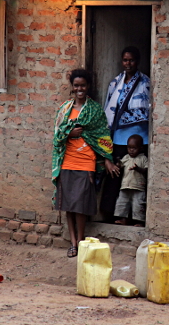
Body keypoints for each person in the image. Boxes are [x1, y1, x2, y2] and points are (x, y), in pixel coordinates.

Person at [52, 68, 120, 258]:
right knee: (68, 206)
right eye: (76, 86)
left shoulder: (95, 110)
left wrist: (107, 159)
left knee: (81, 205)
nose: (79, 89)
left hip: (86, 162)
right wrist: (69, 134)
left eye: (82, 85)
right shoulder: (65, 109)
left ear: (87, 86)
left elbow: (102, 136)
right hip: (67, 162)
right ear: (72, 88)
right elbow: (57, 135)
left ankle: (81, 241)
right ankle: (73, 243)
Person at [101, 46, 150, 222]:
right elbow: (109, 109)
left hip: (140, 138)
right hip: (120, 138)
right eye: (125, 60)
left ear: (138, 61)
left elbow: (149, 110)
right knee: (115, 175)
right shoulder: (115, 83)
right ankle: (110, 214)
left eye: (131, 60)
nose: (128, 63)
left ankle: (135, 217)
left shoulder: (145, 82)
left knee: (136, 176)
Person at [114, 134, 148, 227]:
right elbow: (120, 165)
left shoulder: (143, 158)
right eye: (129, 148)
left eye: (134, 148)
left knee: (138, 205)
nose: (131, 150)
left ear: (140, 148)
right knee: (122, 203)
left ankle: (139, 221)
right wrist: (118, 164)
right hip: (125, 185)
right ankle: (123, 219)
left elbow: (146, 170)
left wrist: (138, 169)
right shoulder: (126, 157)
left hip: (138, 187)